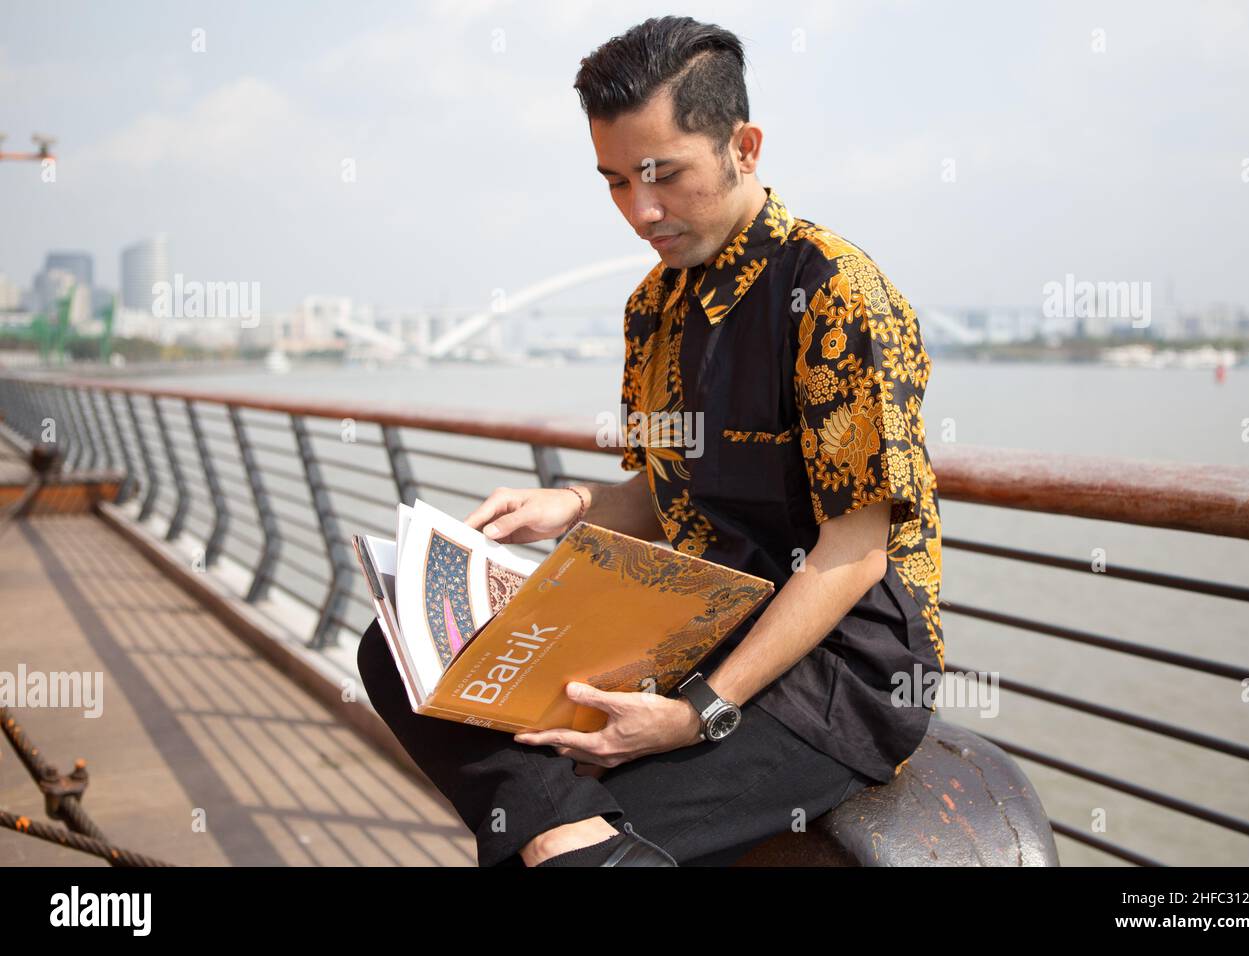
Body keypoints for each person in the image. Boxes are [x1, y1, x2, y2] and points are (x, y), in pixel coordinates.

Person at [357, 14, 944, 868]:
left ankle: (578, 841)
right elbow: (666, 498)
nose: (641, 211)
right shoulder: (654, 308)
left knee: (541, 828)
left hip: (837, 673)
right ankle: (586, 843)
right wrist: (570, 504)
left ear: (744, 146)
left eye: (663, 174)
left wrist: (699, 709)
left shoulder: (832, 292)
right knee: (400, 650)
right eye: (615, 181)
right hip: (694, 620)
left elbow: (853, 556)